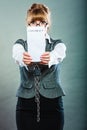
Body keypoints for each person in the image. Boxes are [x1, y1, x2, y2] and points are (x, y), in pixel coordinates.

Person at [12, 3, 66, 130]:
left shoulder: (58, 45)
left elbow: (59, 54)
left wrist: (51, 57)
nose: (37, 25)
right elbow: (17, 55)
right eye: (33, 22)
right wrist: (24, 59)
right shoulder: (20, 45)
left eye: (41, 22)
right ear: (28, 25)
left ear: (47, 26)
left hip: (52, 106)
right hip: (25, 106)